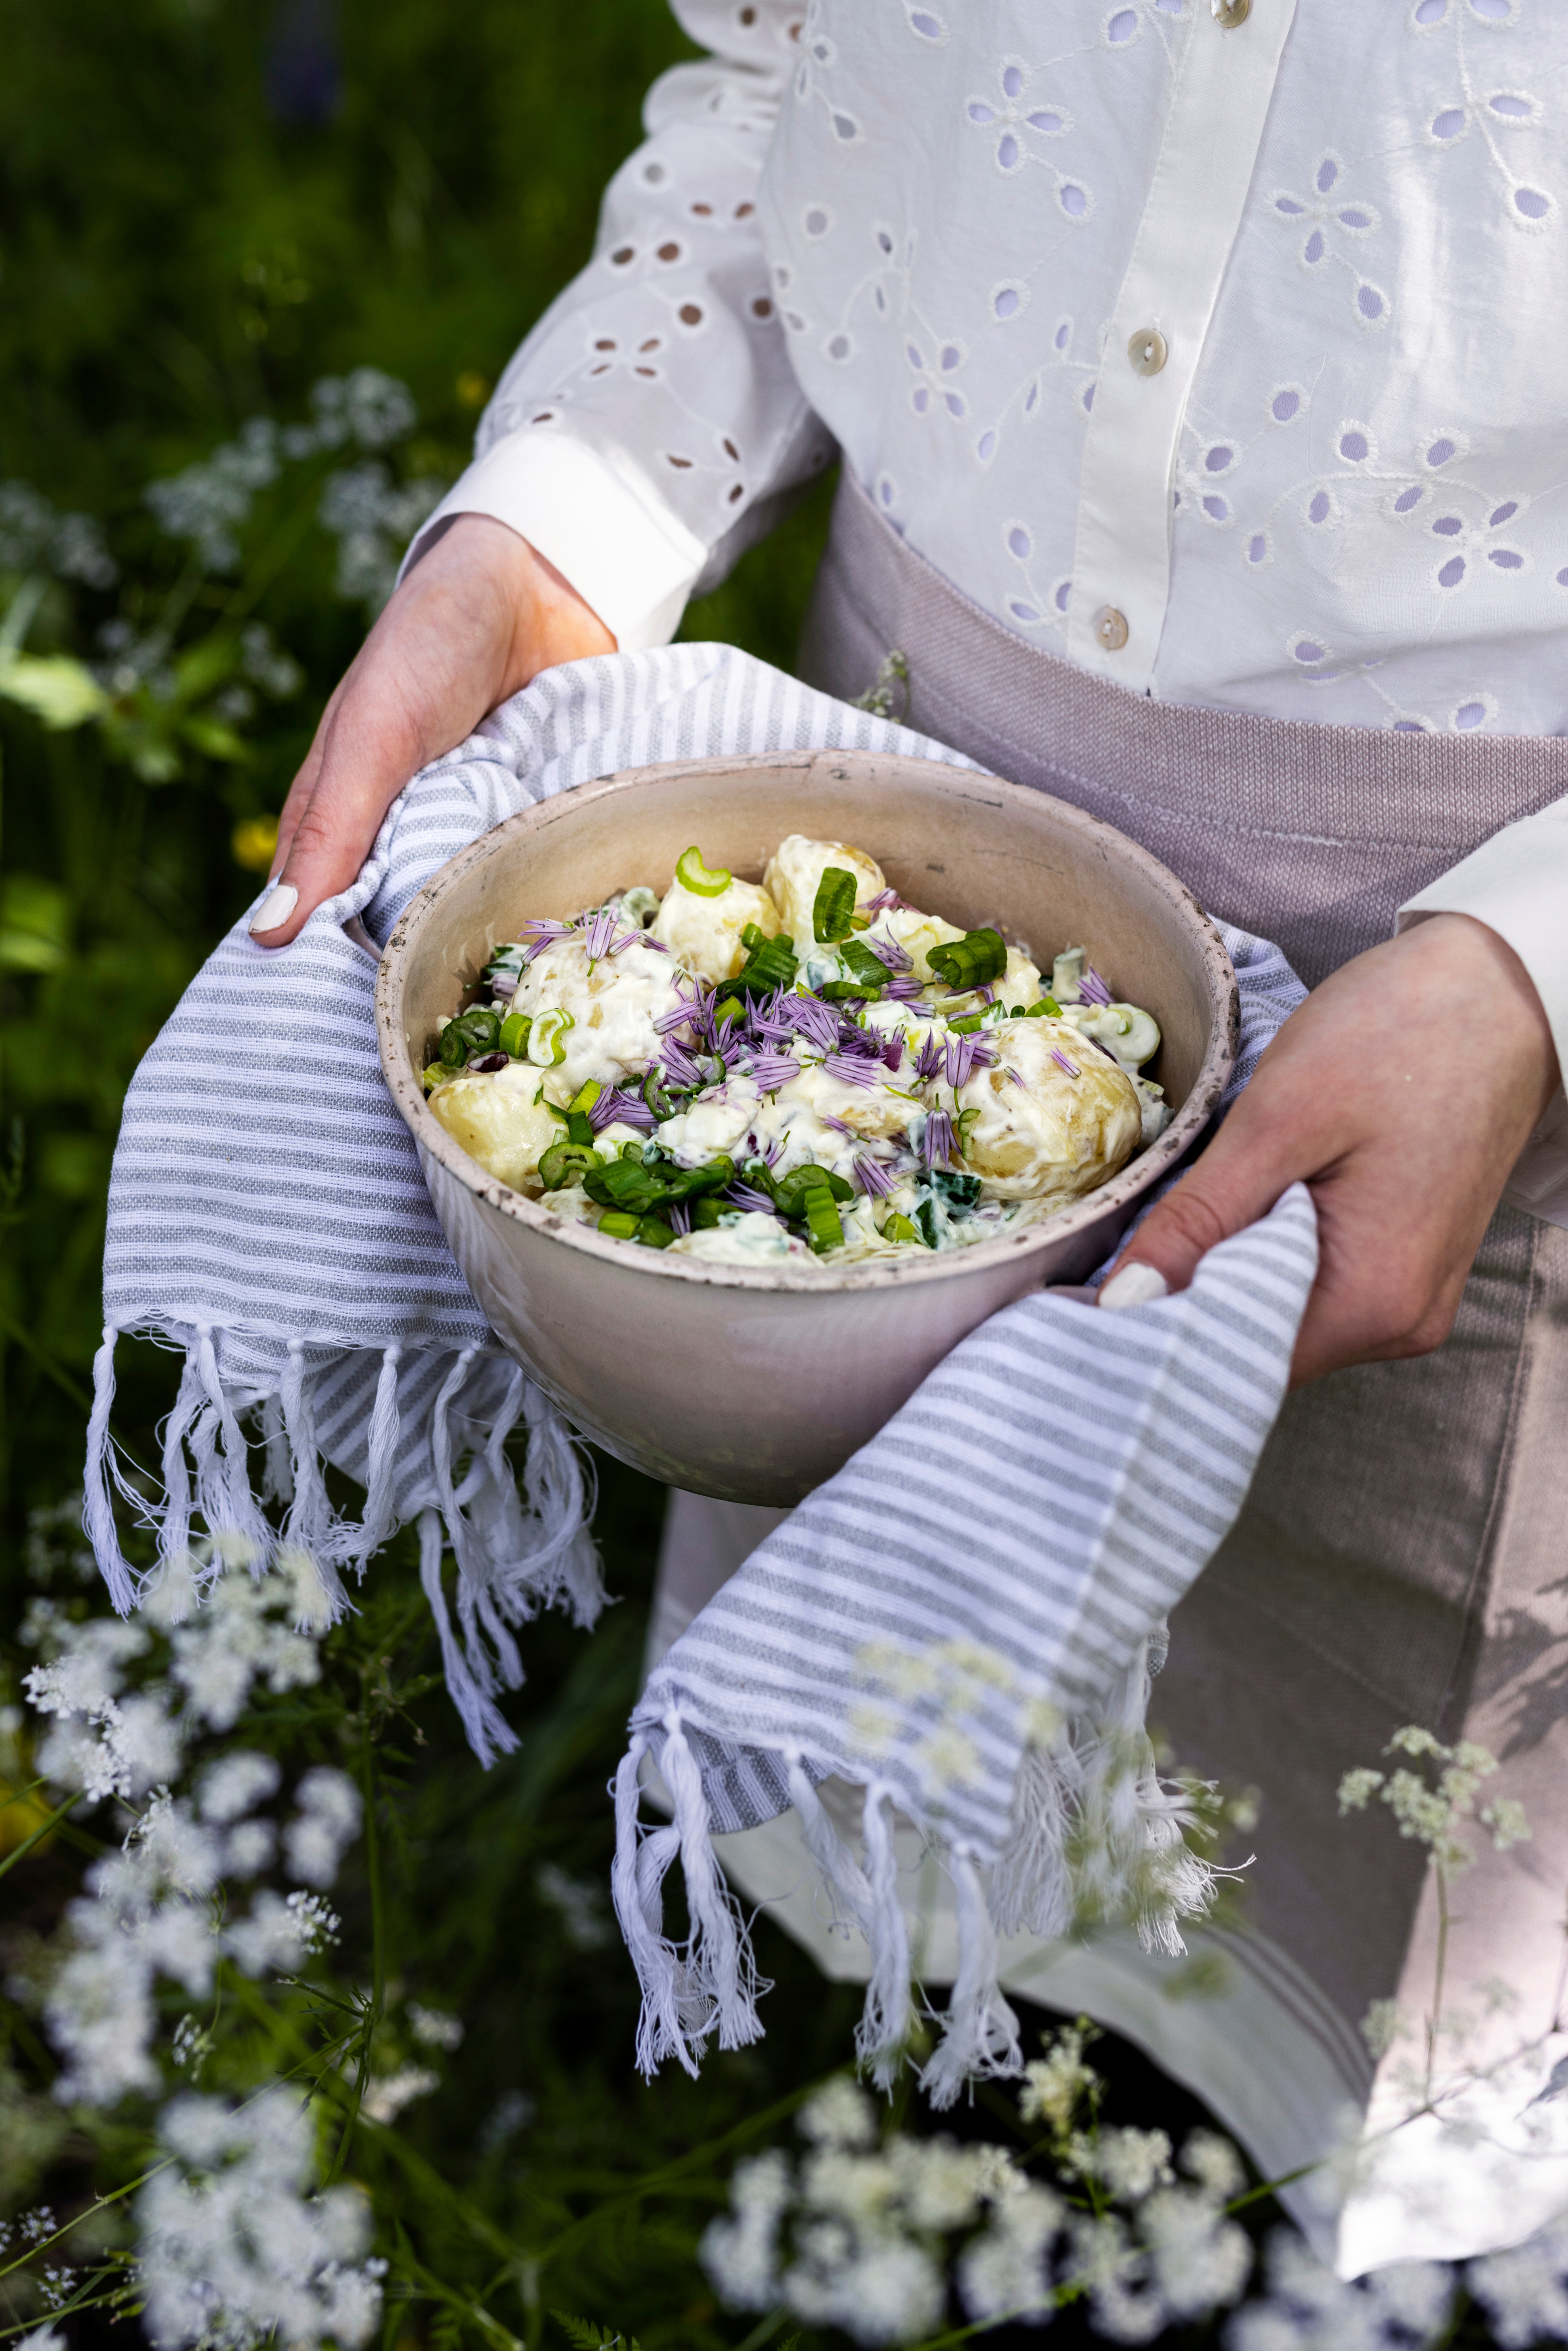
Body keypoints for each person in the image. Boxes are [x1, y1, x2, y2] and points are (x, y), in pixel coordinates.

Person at [246, 0, 1568, 2269]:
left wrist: (1532, 965)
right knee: (934, 1714)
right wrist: (570, 508)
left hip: (1473, 1002)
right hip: (904, 805)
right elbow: (784, 84)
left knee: (1374, 1855)